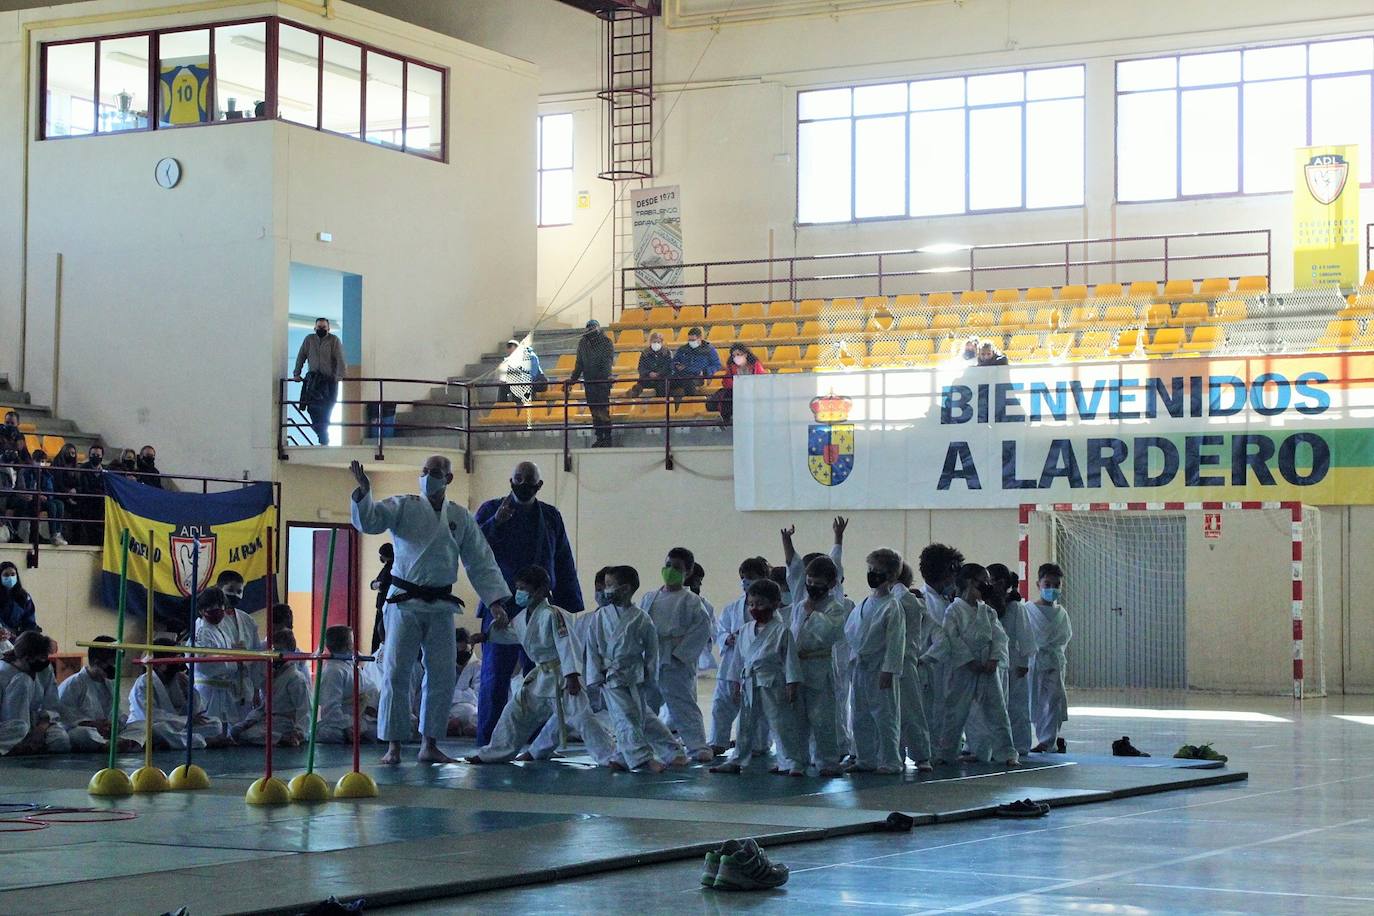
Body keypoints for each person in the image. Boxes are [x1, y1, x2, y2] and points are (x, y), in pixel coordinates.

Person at [350, 456, 512, 765]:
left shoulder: (459, 517)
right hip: (403, 602)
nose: (427, 476)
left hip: (441, 604)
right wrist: (363, 493)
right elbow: (370, 521)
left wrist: (495, 601)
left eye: (435, 473)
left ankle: (430, 744)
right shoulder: (404, 505)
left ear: (448, 478)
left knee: (440, 675)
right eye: (424, 471)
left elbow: (479, 560)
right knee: (397, 672)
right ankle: (393, 746)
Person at [472, 461, 581, 746]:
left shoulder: (550, 516)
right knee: (495, 678)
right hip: (501, 606)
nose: (522, 483)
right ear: (510, 480)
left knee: (542, 679)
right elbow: (471, 547)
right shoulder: (490, 510)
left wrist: (570, 605)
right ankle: (488, 742)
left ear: (539, 485)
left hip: (539, 610)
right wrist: (496, 522)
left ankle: (537, 744)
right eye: (518, 478)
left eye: (528, 479)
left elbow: (563, 560)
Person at [467, 565, 589, 764]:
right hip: (540, 677)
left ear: (540, 590)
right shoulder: (522, 617)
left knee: (582, 720)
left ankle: (612, 756)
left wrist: (572, 675)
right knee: (513, 713)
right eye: (517, 588)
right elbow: (513, 635)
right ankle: (494, 753)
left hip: (562, 677)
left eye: (523, 588)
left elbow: (567, 644)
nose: (519, 593)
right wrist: (486, 635)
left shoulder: (553, 614)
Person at [582, 566, 678, 772]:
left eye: (609, 585)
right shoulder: (600, 617)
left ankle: (621, 758)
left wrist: (651, 677)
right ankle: (642, 757)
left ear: (625, 589)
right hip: (610, 676)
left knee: (636, 716)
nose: (605, 590)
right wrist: (594, 675)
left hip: (634, 675)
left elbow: (652, 650)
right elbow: (591, 648)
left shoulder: (641, 618)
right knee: (624, 715)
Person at [926, 563, 1019, 768]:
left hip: (987, 666)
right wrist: (969, 661)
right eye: (983, 582)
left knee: (997, 711)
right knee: (955, 711)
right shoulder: (954, 610)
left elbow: (999, 637)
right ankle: (947, 752)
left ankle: (1007, 752)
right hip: (964, 668)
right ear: (969, 582)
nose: (987, 586)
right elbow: (953, 638)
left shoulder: (988, 612)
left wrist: (994, 659)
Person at [708, 579, 804, 775]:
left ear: (775, 604)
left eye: (760, 604)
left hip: (773, 681)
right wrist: (736, 682)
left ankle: (792, 762)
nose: (754, 608)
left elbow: (790, 660)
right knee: (745, 724)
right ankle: (737, 759)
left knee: (780, 723)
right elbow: (738, 660)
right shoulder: (745, 630)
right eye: (751, 604)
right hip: (749, 681)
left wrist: (792, 683)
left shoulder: (781, 630)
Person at [640, 547, 714, 762]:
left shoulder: (691, 600)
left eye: (677, 567)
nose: (670, 570)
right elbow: (640, 624)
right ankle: (644, 745)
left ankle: (697, 746)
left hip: (676, 658)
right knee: (646, 705)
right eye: (668, 565)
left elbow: (701, 629)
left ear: (688, 572)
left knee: (683, 704)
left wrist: (680, 655)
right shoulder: (650, 597)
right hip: (652, 655)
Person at [845, 548, 907, 774]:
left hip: (881, 668)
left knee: (885, 715)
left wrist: (889, 670)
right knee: (860, 714)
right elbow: (851, 632)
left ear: (891, 576)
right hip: (861, 666)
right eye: (870, 570)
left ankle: (891, 760)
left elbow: (895, 641)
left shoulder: (893, 606)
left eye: (877, 571)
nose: (872, 574)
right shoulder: (864, 604)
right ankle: (865, 758)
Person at [786, 555, 848, 777]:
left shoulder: (835, 608)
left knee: (822, 718)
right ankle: (797, 761)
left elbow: (829, 633)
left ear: (831, 584)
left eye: (818, 584)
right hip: (797, 665)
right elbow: (792, 633)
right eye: (809, 583)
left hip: (819, 665)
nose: (812, 588)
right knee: (796, 718)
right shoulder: (800, 605)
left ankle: (827, 761)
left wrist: (813, 613)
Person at [708, 556, 771, 756]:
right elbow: (720, 631)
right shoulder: (731, 608)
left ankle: (758, 744)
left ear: (763, 579)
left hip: (757, 666)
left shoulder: (773, 611)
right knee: (721, 705)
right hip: (731, 665)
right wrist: (728, 638)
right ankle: (718, 741)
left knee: (756, 710)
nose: (745, 581)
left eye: (750, 577)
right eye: (743, 577)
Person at [126, 638, 224, 750]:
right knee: (159, 729)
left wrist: (189, 691)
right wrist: (186, 720)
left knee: (215, 723)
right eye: (174, 657)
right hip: (151, 725)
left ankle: (174, 742)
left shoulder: (180, 680)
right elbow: (151, 715)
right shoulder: (143, 683)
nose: (178, 662)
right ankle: (202, 742)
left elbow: (196, 711)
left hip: (178, 726)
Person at [917, 542, 964, 759]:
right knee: (933, 712)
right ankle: (933, 753)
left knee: (949, 712)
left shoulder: (950, 601)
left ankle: (946, 751)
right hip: (932, 667)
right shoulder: (923, 603)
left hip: (950, 669)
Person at [194, 579, 262, 724]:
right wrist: (236, 659)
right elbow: (203, 665)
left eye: (220, 606)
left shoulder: (218, 629)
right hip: (209, 690)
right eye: (212, 606)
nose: (217, 609)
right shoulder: (201, 631)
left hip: (228, 689)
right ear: (201, 610)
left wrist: (236, 656)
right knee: (211, 730)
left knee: (230, 730)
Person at [231, 630, 310, 747]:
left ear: (290, 653)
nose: (274, 654)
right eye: (273, 650)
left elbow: (304, 709)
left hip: (286, 723)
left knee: (249, 734)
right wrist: (250, 720)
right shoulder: (273, 675)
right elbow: (265, 706)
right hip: (269, 720)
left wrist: (299, 732)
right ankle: (279, 738)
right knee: (236, 730)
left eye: (278, 651)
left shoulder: (296, 678)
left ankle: (284, 738)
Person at [58, 635, 134, 752]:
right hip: (87, 729)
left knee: (139, 726)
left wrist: (115, 723)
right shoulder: (73, 684)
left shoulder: (111, 683)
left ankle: (123, 742)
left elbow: (117, 712)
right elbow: (65, 718)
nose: (116, 668)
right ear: (97, 662)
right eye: (112, 663)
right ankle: (107, 745)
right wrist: (94, 724)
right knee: (81, 734)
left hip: (108, 730)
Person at [0, 631, 70, 754]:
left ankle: (17, 747)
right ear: (26, 657)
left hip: (36, 722)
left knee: (61, 740)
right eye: (39, 658)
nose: (42, 661)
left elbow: (52, 704)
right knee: (20, 728)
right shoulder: (3, 672)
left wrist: (41, 729)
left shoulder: (44, 668)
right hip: (9, 727)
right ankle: (15, 746)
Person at [896, 563, 937, 772]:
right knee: (889, 713)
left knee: (912, 711)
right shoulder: (881, 600)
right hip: (887, 664)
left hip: (908, 662)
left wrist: (925, 657)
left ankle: (921, 755)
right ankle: (895, 754)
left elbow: (937, 637)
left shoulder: (911, 603)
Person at [1029, 563, 1072, 754]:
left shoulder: (1061, 613)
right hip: (1034, 661)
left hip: (1054, 661)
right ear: (1038, 584)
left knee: (1054, 700)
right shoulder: (1028, 610)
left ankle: (1048, 742)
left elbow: (1065, 637)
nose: (1052, 589)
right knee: (1034, 700)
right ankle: (1032, 738)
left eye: (1056, 585)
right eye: (1048, 584)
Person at [291, 317, 346, 445]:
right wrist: (296, 373)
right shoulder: (309, 340)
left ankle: (323, 436)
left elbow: (340, 359)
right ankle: (322, 435)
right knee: (311, 409)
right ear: (315, 328)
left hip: (329, 381)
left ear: (328, 328)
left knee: (327, 409)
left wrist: (339, 377)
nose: (321, 329)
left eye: (324, 327)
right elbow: (301, 356)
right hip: (313, 381)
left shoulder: (334, 341)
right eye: (319, 327)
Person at [316, 625, 374, 744]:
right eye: (351, 641)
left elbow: (370, 689)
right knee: (329, 733)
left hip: (360, 718)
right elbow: (330, 709)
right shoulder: (333, 671)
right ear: (348, 644)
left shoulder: (350, 665)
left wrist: (372, 708)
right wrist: (347, 726)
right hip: (342, 722)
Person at [569, 319, 616, 447]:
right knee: (594, 411)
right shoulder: (583, 343)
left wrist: (601, 378)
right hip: (589, 382)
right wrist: (573, 380)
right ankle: (599, 436)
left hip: (601, 382)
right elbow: (579, 364)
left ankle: (607, 437)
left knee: (603, 410)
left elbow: (607, 363)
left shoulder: (606, 342)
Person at [708, 343, 768, 424]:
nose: (736, 357)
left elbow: (761, 381)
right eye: (734, 356)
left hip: (753, 392)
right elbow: (727, 382)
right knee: (728, 396)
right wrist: (738, 387)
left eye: (738, 354)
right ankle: (727, 421)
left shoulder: (755, 365)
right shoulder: (731, 366)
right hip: (736, 392)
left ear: (745, 355)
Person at [18, 450, 67, 545]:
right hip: (31, 499)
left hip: (44, 499)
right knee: (52, 506)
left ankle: (58, 532)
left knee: (59, 504)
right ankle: (53, 534)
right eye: (38, 460)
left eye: (43, 461)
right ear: (33, 461)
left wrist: (46, 496)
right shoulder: (26, 472)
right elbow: (24, 489)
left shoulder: (47, 474)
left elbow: (50, 490)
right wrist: (37, 494)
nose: (41, 463)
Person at [670, 327, 722, 408]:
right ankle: (664, 408)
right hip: (681, 375)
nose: (691, 342)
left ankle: (691, 407)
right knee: (665, 382)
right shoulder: (683, 349)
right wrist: (676, 366)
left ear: (700, 338)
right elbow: (673, 362)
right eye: (689, 340)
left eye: (693, 340)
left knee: (688, 382)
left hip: (698, 376)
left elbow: (717, 365)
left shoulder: (709, 350)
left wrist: (705, 372)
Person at [73, 444, 108, 546]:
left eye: (98, 455)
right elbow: (83, 488)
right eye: (93, 455)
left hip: (101, 504)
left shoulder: (106, 471)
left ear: (102, 456)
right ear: (89, 455)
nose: (95, 457)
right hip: (87, 503)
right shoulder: (83, 469)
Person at [448, 628, 480, 737]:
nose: (460, 654)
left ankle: (453, 726)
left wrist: (451, 694)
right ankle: (452, 725)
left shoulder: (479, 666)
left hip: (466, 708)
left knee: (469, 711)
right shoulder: (445, 666)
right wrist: (464, 692)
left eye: (463, 650)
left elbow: (477, 696)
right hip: (446, 707)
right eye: (457, 650)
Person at [498, 338, 546, 406]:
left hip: (538, 381)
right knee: (503, 386)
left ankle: (523, 407)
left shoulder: (531, 357)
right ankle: (501, 409)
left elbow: (532, 374)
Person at [627, 331, 673, 399]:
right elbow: (641, 368)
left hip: (662, 379)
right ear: (650, 342)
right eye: (654, 342)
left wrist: (658, 373)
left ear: (662, 342)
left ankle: (660, 406)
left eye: (658, 342)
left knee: (662, 386)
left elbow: (668, 367)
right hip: (647, 378)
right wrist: (649, 373)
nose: (656, 344)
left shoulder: (667, 353)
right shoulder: (645, 353)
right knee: (638, 386)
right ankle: (630, 399)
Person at [370, 543, 395, 653]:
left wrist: (378, 585)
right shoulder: (388, 568)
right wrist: (376, 584)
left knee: (380, 637)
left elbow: (382, 584)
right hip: (384, 607)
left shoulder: (392, 568)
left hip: (386, 608)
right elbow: (374, 584)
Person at [0, 562, 38, 635]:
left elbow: (30, 622)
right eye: (6, 575)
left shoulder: (24, 597)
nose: (10, 578)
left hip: (17, 639)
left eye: (13, 574)